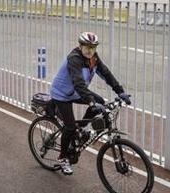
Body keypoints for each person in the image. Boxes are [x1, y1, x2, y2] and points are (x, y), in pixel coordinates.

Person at [50, 31, 131, 175]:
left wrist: (120, 91)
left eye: (93, 48)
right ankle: (62, 158)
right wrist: (91, 102)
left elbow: (106, 74)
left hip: (76, 92)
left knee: (100, 102)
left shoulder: (93, 58)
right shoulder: (74, 59)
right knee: (69, 127)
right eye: (87, 47)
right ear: (80, 46)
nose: (90, 50)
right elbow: (79, 84)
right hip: (62, 94)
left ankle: (80, 130)